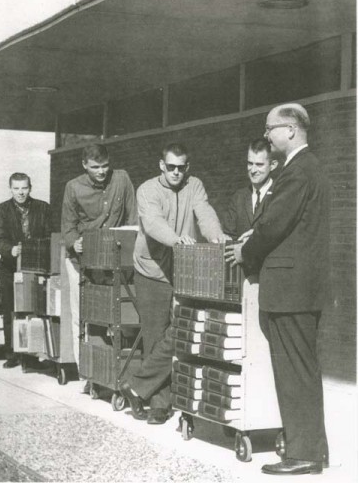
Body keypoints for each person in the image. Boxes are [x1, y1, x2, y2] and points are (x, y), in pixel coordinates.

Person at [225, 103, 329, 476]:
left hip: (291, 291)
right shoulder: (305, 168)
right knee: (301, 371)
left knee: (294, 372)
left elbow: (273, 227)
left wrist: (245, 251)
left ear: (289, 130)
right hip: (298, 289)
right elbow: (282, 224)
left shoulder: (297, 172)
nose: (267, 136)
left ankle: (304, 454)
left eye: (269, 129)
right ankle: (312, 449)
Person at [120, 142, 227, 424]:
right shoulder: (147, 190)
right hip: (151, 271)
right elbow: (153, 223)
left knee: (182, 331)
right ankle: (159, 405)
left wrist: (217, 237)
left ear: (187, 167)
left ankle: (136, 386)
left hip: (184, 271)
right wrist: (176, 238)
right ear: (161, 166)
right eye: (171, 167)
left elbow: (205, 213)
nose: (176, 173)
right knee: (156, 336)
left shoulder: (195, 186)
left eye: (181, 167)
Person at [61, 143, 137, 372]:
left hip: (115, 261)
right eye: (95, 167)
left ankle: (118, 369)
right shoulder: (73, 188)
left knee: (121, 315)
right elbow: (67, 228)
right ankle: (86, 371)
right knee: (83, 316)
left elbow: (133, 219)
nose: (101, 171)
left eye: (105, 166)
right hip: (81, 262)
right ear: (84, 165)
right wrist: (75, 242)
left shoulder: (122, 179)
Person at [0, 173, 51, 368]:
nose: (20, 192)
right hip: (10, 269)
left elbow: (50, 234)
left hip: (36, 269)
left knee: (35, 310)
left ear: (30, 188)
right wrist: (11, 250)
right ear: (10, 189)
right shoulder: (1, 210)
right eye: (16, 188)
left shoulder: (43, 208)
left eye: (24, 188)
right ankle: (12, 354)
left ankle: (32, 355)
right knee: (11, 310)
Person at [221, 138, 278, 239]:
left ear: (273, 165)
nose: (253, 170)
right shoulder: (238, 197)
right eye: (250, 163)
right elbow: (228, 235)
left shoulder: (280, 193)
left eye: (259, 165)